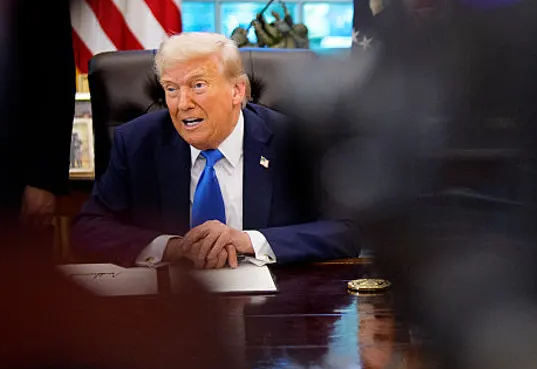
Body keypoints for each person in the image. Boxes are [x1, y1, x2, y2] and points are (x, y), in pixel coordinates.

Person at [71, 31, 362, 268]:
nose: (182, 103)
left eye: (198, 86)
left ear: (237, 91)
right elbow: (88, 230)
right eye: (171, 89)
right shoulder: (137, 142)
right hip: (166, 314)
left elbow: (345, 231)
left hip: (274, 311)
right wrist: (171, 248)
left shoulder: (295, 142)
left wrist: (249, 241)